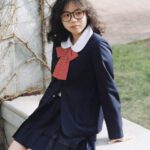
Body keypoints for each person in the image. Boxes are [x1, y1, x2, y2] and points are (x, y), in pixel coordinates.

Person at [8, 0, 125, 149]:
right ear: (60, 18)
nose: (73, 20)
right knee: (16, 145)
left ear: (87, 13)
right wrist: (42, 108)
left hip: (80, 116)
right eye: (67, 15)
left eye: (78, 13)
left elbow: (107, 89)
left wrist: (116, 132)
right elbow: (56, 80)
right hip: (54, 109)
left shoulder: (97, 46)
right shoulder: (61, 41)